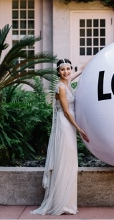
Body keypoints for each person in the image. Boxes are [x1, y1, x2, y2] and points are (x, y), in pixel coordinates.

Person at [31, 59, 90, 215]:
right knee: (64, 161)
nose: (66, 72)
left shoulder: (68, 81)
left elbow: (81, 69)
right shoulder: (61, 88)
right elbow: (66, 111)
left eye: (68, 69)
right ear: (58, 71)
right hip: (64, 126)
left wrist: (96, 58)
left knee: (70, 162)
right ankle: (61, 202)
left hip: (69, 126)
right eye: (62, 69)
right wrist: (79, 129)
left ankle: (67, 201)